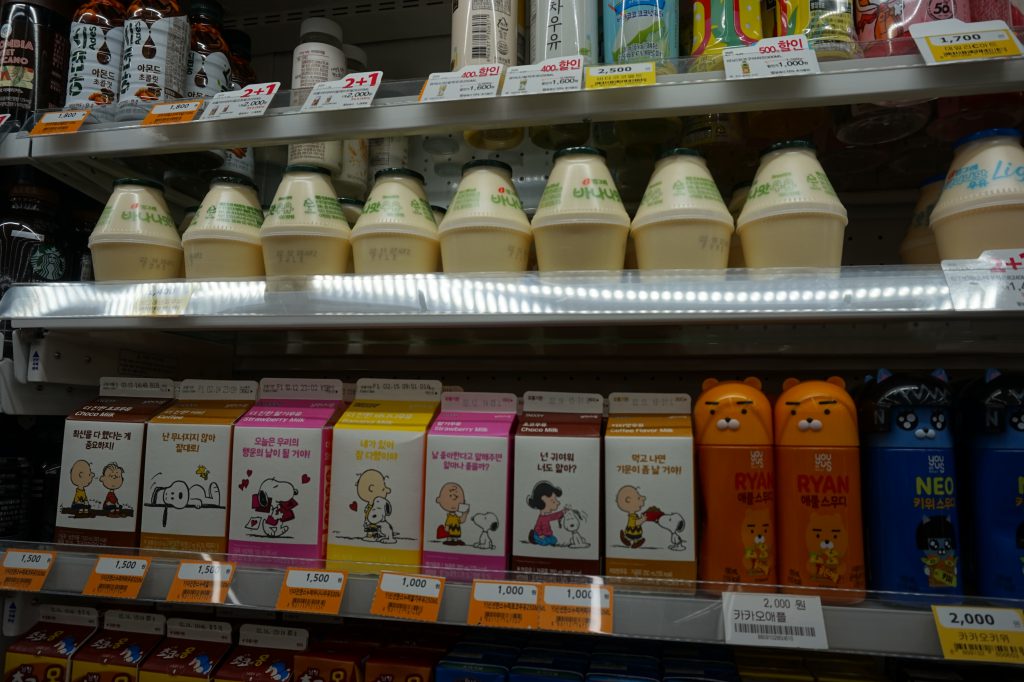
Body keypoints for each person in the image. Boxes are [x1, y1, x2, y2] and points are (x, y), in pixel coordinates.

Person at [526, 481, 565, 546]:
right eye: (553, 501)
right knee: (544, 542)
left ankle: (540, 538)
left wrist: (563, 512)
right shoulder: (541, 518)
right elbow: (537, 528)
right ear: (543, 499)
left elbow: (554, 516)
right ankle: (535, 537)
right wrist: (540, 534)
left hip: (547, 535)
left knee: (554, 540)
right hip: (541, 535)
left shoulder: (546, 517)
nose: (558, 503)